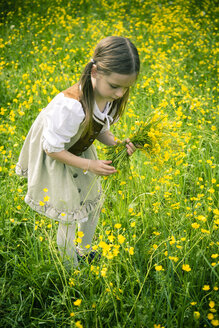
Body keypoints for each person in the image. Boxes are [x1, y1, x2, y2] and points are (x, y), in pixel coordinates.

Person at [16, 36, 140, 266]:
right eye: (115, 86)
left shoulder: (108, 97)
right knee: (70, 215)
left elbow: (100, 130)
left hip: (78, 149)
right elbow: (52, 148)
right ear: (95, 72)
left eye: (126, 87)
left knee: (93, 203)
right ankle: (69, 269)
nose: (120, 94)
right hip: (56, 155)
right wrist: (90, 165)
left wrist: (117, 144)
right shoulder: (71, 107)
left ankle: (84, 251)